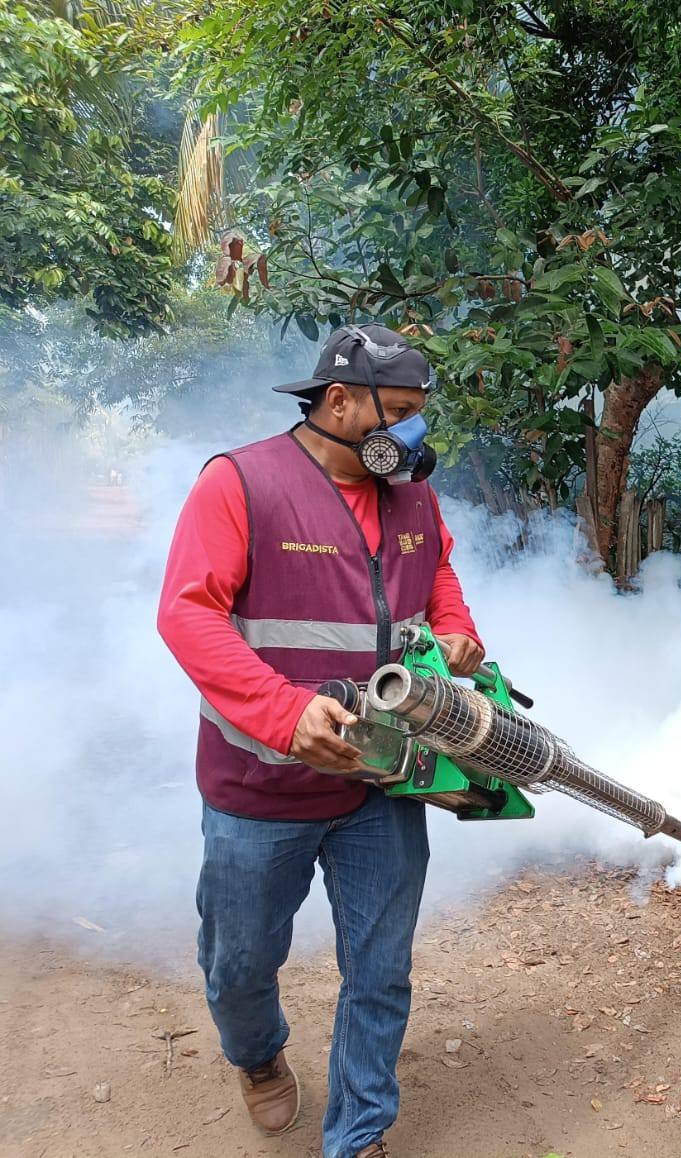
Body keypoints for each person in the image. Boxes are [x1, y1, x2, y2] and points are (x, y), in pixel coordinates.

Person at [157, 324, 486, 1158]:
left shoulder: (413, 493)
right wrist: (283, 713)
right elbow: (188, 613)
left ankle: (360, 1134)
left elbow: (438, 574)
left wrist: (455, 631)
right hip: (260, 786)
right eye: (399, 413)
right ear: (338, 402)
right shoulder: (240, 483)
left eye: (419, 414)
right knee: (239, 965)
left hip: (386, 779)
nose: (413, 434)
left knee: (379, 971)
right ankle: (257, 1056)